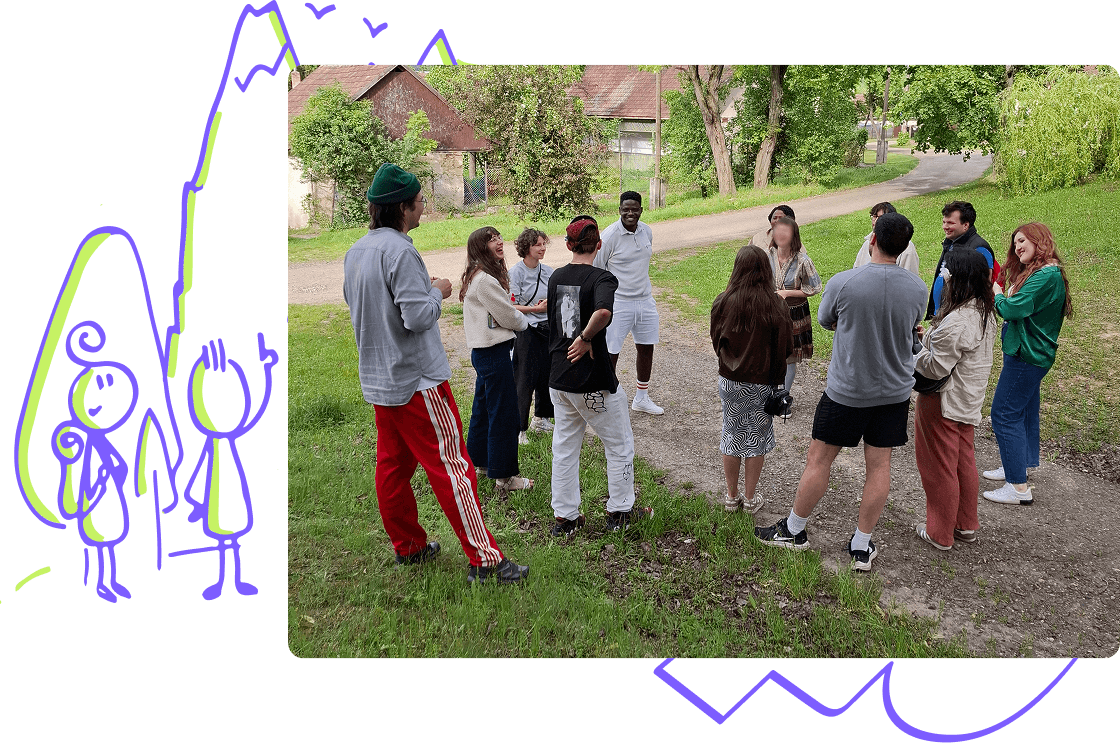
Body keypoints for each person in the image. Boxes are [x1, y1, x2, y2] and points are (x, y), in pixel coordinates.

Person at [342, 163, 528, 585]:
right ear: (403, 208)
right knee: (453, 467)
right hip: (418, 381)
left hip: (381, 379)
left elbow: (368, 305)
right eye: (420, 201)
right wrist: (436, 291)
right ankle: (485, 560)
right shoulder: (401, 252)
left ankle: (408, 546)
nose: (423, 207)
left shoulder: (357, 251)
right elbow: (417, 317)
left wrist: (418, 291)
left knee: (392, 468)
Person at [753, 213, 928, 572]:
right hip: (894, 393)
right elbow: (913, 328)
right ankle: (861, 545)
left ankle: (794, 530)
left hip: (848, 390)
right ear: (904, 247)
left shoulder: (845, 282)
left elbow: (825, 319)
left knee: (819, 460)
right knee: (879, 466)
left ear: (873, 240)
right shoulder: (917, 288)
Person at [548, 216, 653, 536]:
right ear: (599, 245)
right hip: (591, 382)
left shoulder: (556, 276)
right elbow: (604, 311)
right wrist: (586, 337)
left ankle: (565, 518)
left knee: (564, 448)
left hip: (559, 379)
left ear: (569, 245)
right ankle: (620, 512)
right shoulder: (602, 277)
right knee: (619, 444)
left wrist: (577, 335)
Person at [983, 223, 1073, 505]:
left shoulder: (1045, 275)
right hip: (1029, 354)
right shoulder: (1044, 273)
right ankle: (1016, 466)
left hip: (1027, 356)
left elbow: (1012, 309)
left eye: (1022, 241)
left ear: (1038, 241)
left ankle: (1018, 488)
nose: (1017, 247)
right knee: (1023, 412)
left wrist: (996, 292)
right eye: (1015, 243)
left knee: (1004, 413)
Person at [912, 250, 996, 550]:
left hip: (943, 401)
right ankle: (965, 524)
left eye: (947, 275)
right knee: (963, 461)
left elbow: (934, 367)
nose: (943, 280)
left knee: (939, 467)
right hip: (968, 399)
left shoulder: (958, 320)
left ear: (959, 280)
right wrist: (928, 338)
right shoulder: (984, 312)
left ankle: (939, 533)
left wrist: (914, 351)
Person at [710, 245, 795, 514]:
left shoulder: (723, 301)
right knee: (756, 437)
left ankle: (731, 497)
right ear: (765, 270)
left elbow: (716, 339)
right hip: (763, 382)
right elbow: (786, 348)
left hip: (730, 380)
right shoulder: (776, 305)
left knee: (731, 432)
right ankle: (749, 498)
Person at [459, 227, 535, 494]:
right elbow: (507, 315)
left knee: (483, 409)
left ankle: (480, 461)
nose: (499, 242)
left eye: (499, 237)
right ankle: (505, 477)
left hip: (483, 353)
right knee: (504, 414)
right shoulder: (485, 281)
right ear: (480, 248)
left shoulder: (476, 276)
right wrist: (525, 323)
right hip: (494, 352)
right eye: (491, 240)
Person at [594, 191, 664, 415]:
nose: (630, 213)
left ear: (641, 210)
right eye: (626, 209)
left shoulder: (647, 232)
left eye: (635, 209)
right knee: (611, 352)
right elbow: (598, 268)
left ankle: (641, 398)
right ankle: (607, 399)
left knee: (646, 347)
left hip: (645, 300)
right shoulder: (609, 236)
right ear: (619, 210)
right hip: (619, 302)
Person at [767, 216, 822, 419]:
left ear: (793, 236)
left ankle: (783, 399)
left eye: (785, 231)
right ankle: (770, 394)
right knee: (771, 353)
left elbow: (814, 288)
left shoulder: (803, 260)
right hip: (771, 311)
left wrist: (787, 293)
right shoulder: (767, 255)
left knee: (789, 357)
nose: (780, 235)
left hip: (794, 313)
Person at [508, 227, 554, 445]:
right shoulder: (515, 273)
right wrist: (536, 309)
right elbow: (511, 306)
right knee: (524, 378)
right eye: (537, 245)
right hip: (526, 330)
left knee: (546, 375)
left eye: (544, 244)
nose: (542, 248)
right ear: (526, 247)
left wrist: (549, 304)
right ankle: (519, 428)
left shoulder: (549, 272)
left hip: (547, 329)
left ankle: (542, 418)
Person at [927, 201, 996, 320]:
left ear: (965, 225)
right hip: (944, 313)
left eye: (950, 223)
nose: (945, 227)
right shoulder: (951, 242)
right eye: (944, 222)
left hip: (959, 317)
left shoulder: (979, 248)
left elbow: (984, 286)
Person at [854, 202, 919, 276]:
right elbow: (856, 269)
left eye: (881, 217)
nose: (876, 221)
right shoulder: (867, 243)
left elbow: (910, 276)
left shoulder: (906, 247)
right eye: (874, 216)